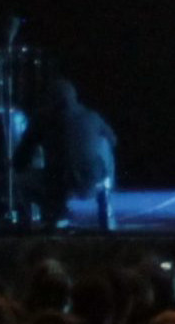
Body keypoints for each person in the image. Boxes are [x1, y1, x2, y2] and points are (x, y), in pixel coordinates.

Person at [14, 77, 116, 230]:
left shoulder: (42, 120)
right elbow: (113, 140)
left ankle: (52, 213)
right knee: (104, 143)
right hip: (93, 181)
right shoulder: (91, 116)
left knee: (20, 182)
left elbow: (20, 159)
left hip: (59, 185)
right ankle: (105, 197)